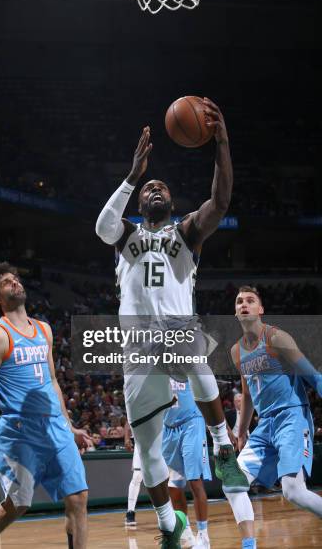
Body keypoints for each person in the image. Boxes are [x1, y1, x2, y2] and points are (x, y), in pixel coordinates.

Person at [96, 100, 248, 548]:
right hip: (138, 350)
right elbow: (103, 227)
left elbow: (220, 202)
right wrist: (131, 175)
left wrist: (221, 142)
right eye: (150, 188)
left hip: (178, 334)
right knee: (147, 450)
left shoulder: (185, 232)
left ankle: (222, 444)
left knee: (187, 340)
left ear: (173, 202)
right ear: (141, 201)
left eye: (163, 187)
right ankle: (168, 525)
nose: (156, 189)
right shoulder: (126, 236)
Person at [0, 262, 89, 549]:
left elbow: (53, 381)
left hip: (54, 426)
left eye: (16, 279)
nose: (15, 283)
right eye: (6, 282)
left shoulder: (44, 329)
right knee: (17, 504)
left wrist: (69, 425)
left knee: (78, 498)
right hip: (20, 431)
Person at [225, 285, 322, 549]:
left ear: (260, 309)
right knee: (232, 483)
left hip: (292, 416)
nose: (243, 304)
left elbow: (311, 375)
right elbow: (246, 395)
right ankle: (249, 546)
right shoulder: (236, 351)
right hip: (264, 424)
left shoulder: (276, 337)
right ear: (235, 311)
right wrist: (242, 430)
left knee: (293, 492)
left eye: (250, 300)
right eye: (239, 301)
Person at [162, 379, 211, 548]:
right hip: (168, 428)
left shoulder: (187, 359)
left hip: (192, 423)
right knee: (173, 487)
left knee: (194, 481)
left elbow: (207, 393)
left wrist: (220, 428)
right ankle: (187, 533)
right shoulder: (153, 367)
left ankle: (204, 537)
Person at [124, 420, 143, 528]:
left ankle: (166, 512)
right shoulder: (139, 403)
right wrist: (127, 438)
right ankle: (130, 511)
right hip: (141, 441)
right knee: (137, 476)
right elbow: (128, 420)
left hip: (160, 440)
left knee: (163, 479)